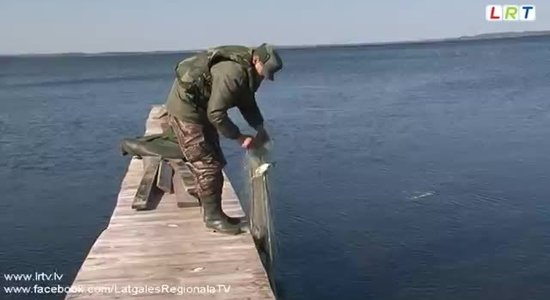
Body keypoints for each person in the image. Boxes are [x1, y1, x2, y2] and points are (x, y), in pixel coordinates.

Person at [164, 43, 283, 234]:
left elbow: (247, 102)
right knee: (207, 163)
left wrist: (260, 127)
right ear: (257, 59)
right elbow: (216, 114)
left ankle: (209, 201)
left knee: (215, 159)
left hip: (202, 108)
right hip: (187, 111)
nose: (263, 77)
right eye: (264, 71)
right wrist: (239, 137)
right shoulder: (233, 73)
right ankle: (212, 217)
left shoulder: (248, 72)